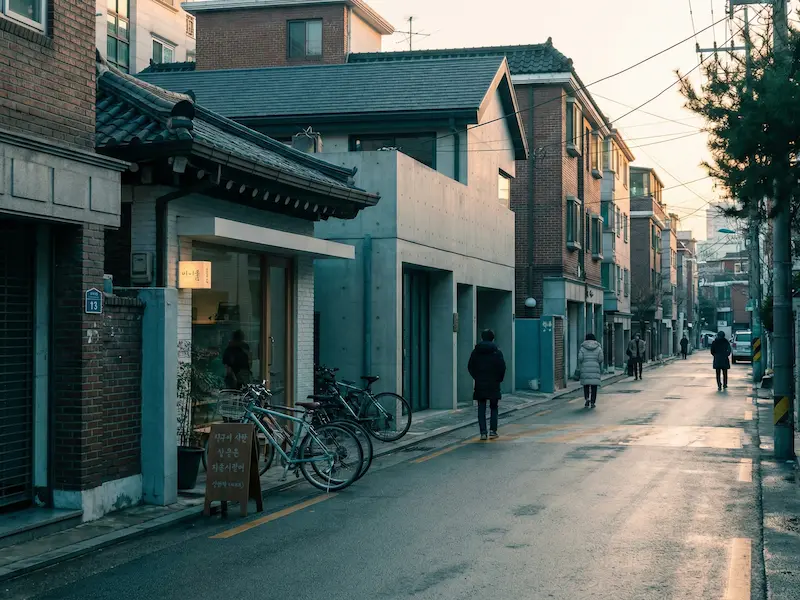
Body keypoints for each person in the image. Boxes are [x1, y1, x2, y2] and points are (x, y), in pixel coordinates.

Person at [468, 329, 507, 441]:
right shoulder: (497, 352)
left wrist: (477, 377)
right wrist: (499, 379)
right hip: (494, 383)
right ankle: (493, 431)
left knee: (481, 408)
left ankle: (483, 433)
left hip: (480, 383)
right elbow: (502, 367)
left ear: (482, 338)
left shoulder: (476, 352)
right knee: (494, 407)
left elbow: (470, 366)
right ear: (492, 338)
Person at [578, 333, 604, 408]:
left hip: (585, 368)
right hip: (595, 368)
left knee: (586, 385)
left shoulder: (582, 348)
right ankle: (592, 402)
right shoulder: (598, 348)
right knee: (594, 386)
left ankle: (587, 398)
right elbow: (601, 359)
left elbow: (580, 358)